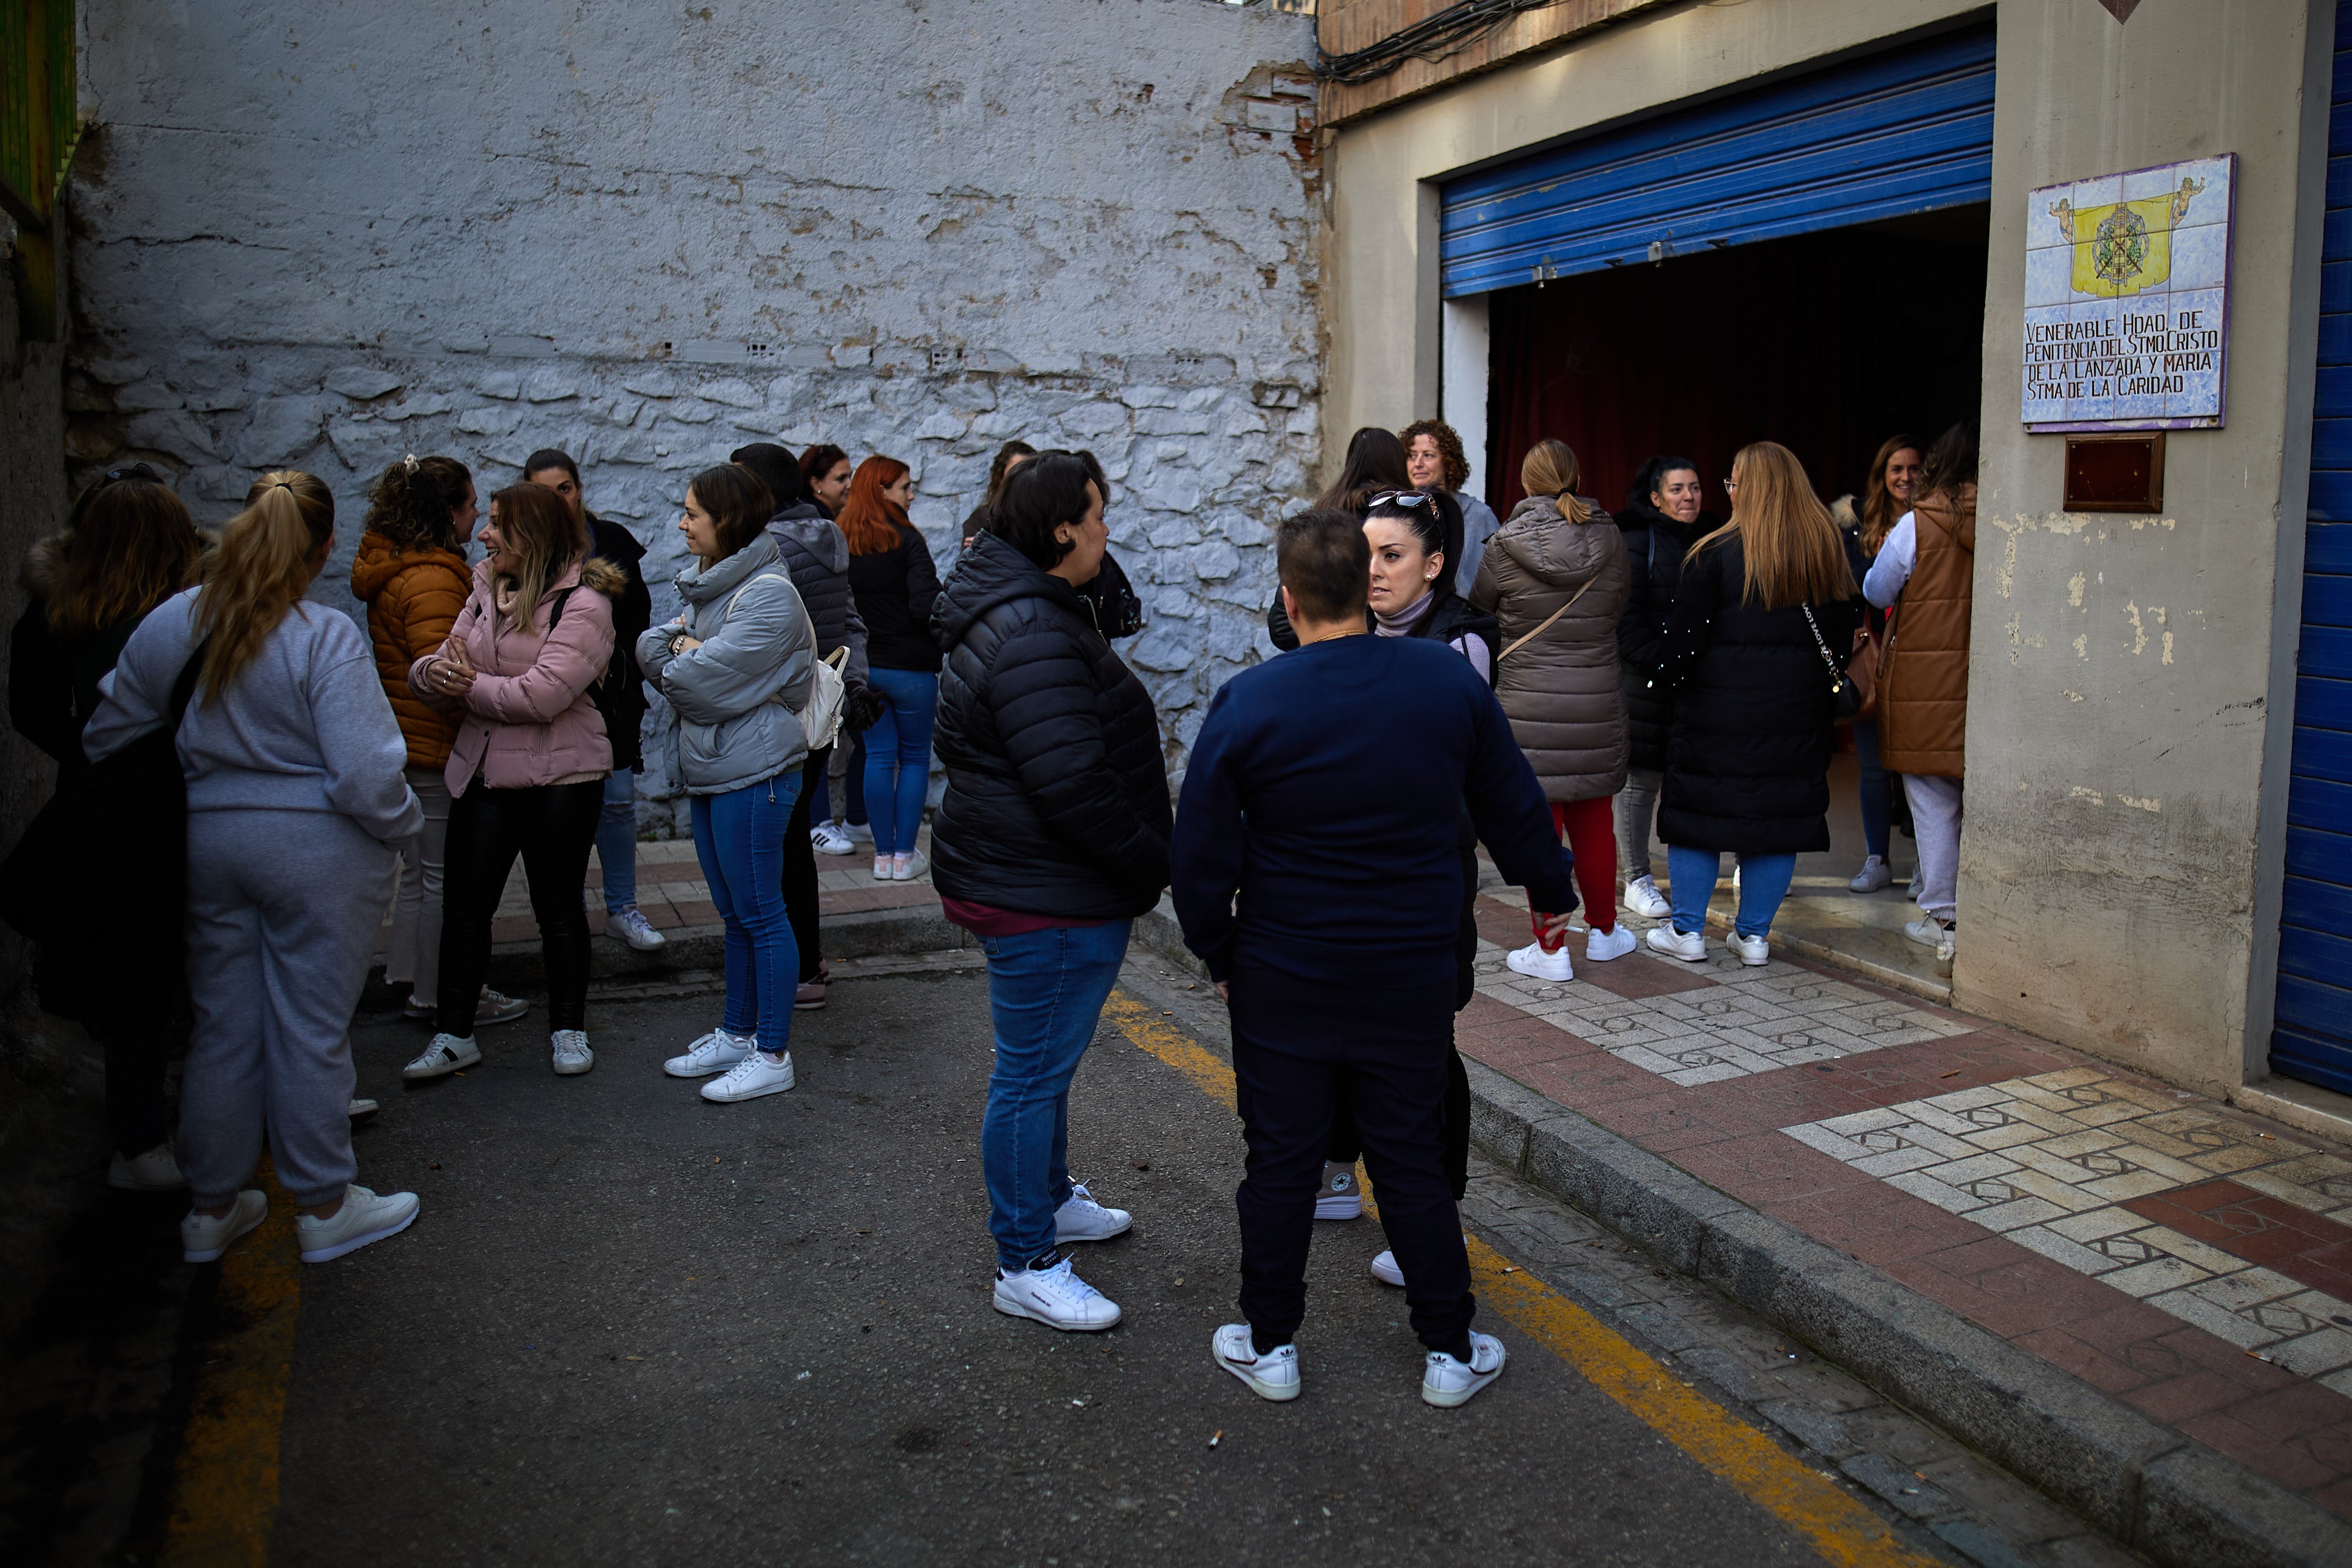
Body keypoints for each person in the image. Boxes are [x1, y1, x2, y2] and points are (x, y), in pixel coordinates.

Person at [1172, 509, 1575, 1408]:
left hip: (1283, 969)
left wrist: (1218, 949)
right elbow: (1513, 801)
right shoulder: (1444, 682)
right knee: (1410, 1157)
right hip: (1410, 969)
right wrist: (1551, 894)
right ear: (1368, 584)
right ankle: (1448, 1346)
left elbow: (1199, 855)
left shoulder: (1251, 700)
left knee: (1280, 1160)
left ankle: (1270, 1341)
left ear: (1288, 598)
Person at [86, 470, 423, 1265]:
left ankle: (211, 1205)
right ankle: (326, 1202)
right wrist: (406, 831)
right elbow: (365, 776)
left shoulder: (174, 623)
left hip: (207, 842)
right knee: (310, 1026)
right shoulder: (323, 635)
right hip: (319, 850)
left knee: (222, 1024)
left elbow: (108, 736)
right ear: (327, 547)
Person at [931, 452, 1169, 1333]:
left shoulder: (1018, 604)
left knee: (1041, 1065)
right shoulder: (1031, 625)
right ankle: (1025, 1257)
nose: (1109, 531)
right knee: (1030, 1073)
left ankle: (1051, 1199)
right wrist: (1151, 860)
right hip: (1046, 890)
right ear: (1063, 527)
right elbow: (1073, 784)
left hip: (1029, 874)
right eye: (1100, 515)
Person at [10, 464, 203, 1191]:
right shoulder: (182, 615)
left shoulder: (60, 612)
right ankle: (152, 1135)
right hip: (169, 807)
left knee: (134, 975)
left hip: (103, 803)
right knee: (160, 971)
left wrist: (89, 759)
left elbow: (29, 709)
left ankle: (144, 1133)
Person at [403, 483, 623, 1081]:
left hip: (562, 779)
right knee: (465, 909)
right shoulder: (483, 587)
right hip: (483, 771)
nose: (484, 533)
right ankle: (453, 1034)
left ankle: (568, 1030)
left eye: (498, 524)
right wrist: (429, 674)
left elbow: (544, 695)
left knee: (559, 908)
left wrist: (464, 686)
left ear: (534, 536)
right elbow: (442, 660)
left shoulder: (586, 603)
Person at [1645, 442, 1862, 965]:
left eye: (1733, 482)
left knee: (1699, 817)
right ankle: (1754, 936)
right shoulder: (1825, 553)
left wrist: (1664, 683)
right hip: (1796, 718)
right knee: (1776, 822)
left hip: (1715, 715)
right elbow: (1837, 644)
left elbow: (1682, 646)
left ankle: (1689, 932)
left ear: (1751, 489)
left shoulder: (1713, 554)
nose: (1730, 492)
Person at [639, 466, 817, 1103]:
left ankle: (772, 1052)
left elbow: (693, 683)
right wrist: (687, 651)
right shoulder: (714, 588)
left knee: (764, 914)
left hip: (757, 770)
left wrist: (685, 654)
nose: (682, 524)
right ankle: (738, 1034)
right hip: (717, 766)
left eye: (692, 513)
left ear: (728, 521)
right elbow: (649, 648)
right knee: (736, 914)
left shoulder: (767, 594)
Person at [350, 454, 529, 1034]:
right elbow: (447, 672)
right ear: (445, 511)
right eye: (472, 505)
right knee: (440, 877)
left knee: (425, 872)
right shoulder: (429, 578)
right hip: (432, 743)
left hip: (411, 739)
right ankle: (439, 992)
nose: (478, 517)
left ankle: (415, 981)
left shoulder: (402, 565)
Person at [1471, 439, 1633, 982]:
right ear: (1575, 475)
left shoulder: (1504, 545)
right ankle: (1607, 932)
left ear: (1525, 482)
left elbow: (1480, 613)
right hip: (1596, 697)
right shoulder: (1611, 537)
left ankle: (1552, 946)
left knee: (1544, 831)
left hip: (1527, 701)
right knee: (1595, 825)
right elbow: (1619, 608)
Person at [736, 443, 877, 1009]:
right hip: (819, 712)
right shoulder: (828, 537)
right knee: (791, 839)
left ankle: (781, 966)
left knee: (770, 843)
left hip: (771, 711)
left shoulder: (766, 549)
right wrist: (856, 686)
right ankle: (806, 963)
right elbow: (850, 622)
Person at [523, 450, 663, 954]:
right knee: (561, 809)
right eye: (543, 491)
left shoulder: (613, 542)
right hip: (553, 696)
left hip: (613, 696)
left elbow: (639, 615)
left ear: (578, 489)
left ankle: (622, 907)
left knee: (618, 803)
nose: (557, 500)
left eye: (563, 488)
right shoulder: (526, 549)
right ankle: (570, 909)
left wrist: (614, 664)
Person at [1866, 422, 1975, 955]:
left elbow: (1876, 587)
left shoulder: (1918, 525)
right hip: (1987, 681)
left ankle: (1944, 916)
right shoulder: (2011, 518)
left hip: (1926, 684)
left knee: (1933, 800)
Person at [1614, 456, 1717, 922]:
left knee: (1702, 779)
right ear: (1655, 497)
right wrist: (1661, 660)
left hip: (1700, 682)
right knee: (1640, 783)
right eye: (1677, 489)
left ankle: (1728, 868)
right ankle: (1637, 878)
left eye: (1694, 488)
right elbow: (1624, 616)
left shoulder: (1716, 541)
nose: (1689, 497)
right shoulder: (1638, 541)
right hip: (1647, 680)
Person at [840, 455, 943, 881]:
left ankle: (882, 858)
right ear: (881, 491)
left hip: (865, 669)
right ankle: (904, 856)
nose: (911, 494)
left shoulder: (841, 540)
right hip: (911, 669)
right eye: (904, 486)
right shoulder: (908, 540)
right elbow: (926, 606)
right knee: (916, 758)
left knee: (879, 758)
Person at [1836, 435, 1921, 895]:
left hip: (1919, 657)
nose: (1906, 477)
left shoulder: (1937, 518)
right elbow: (1847, 582)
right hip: (1871, 657)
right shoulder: (1855, 521)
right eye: (1896, 469)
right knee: (1872, 766)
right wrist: (1881, 556)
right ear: (1881, 474)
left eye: (1914, 468)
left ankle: (1929, 865)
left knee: (1918, 765)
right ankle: (1878, 859)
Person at [1402, 418, 1502, 595]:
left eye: (1428, 455)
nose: (1418, 463)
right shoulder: (1397, 512)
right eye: (1412, 455)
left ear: (1448, 462)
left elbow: (1496, 582)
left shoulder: (1479, 515)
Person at [961, 440, 1037, 547]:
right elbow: (969, 560)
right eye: (1014, 473)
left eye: (1025, 473)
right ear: (1000, 479)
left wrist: (994, 549)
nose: (1020, 480)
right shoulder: (982, 519)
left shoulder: (1047, 518)